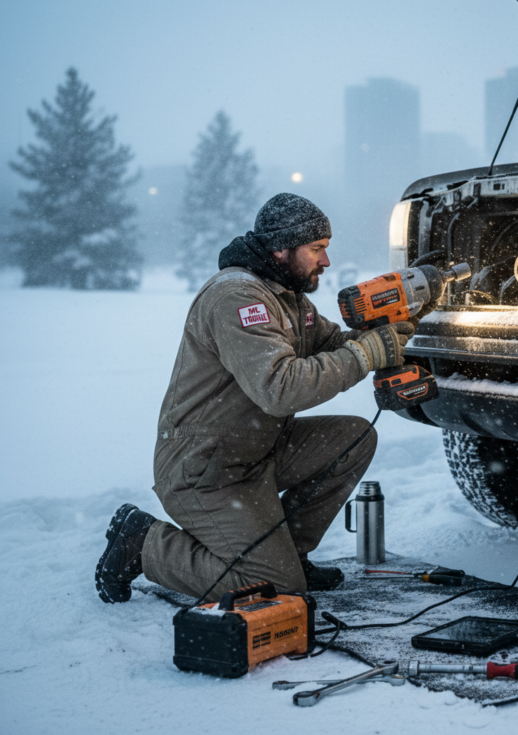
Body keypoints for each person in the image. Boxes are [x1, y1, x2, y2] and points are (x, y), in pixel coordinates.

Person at [95, 193, 414, 603]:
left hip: (255, 452)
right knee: (275, 590)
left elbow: (334, 344)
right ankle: (143, 544)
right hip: (204, 468)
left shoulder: (287, 297)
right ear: (281, 249)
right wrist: (367, 353)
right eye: (317, 250)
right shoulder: (237, 298)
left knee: (353, 438)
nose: (326, 262)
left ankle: (290, 556)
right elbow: (280, 388)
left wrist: (389, 336)